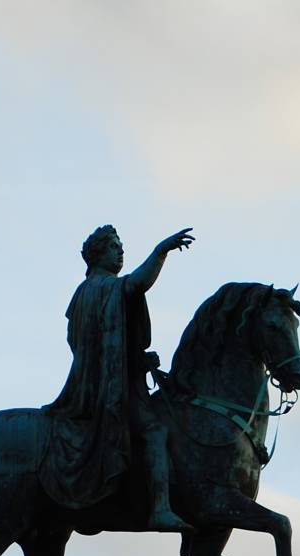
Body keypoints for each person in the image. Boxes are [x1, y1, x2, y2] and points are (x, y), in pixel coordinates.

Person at [42, 223, 194, 530]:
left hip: (102, 381)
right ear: (98, 254)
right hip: (108, 390)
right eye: (114, 246)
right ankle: (160, 508)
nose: (121, 251)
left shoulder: (82, 293)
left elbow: (88, 342)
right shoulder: (103, 287)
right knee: (155, 432)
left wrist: (136, 359)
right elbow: (136, 284)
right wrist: (161, 250)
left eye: (120, 245)